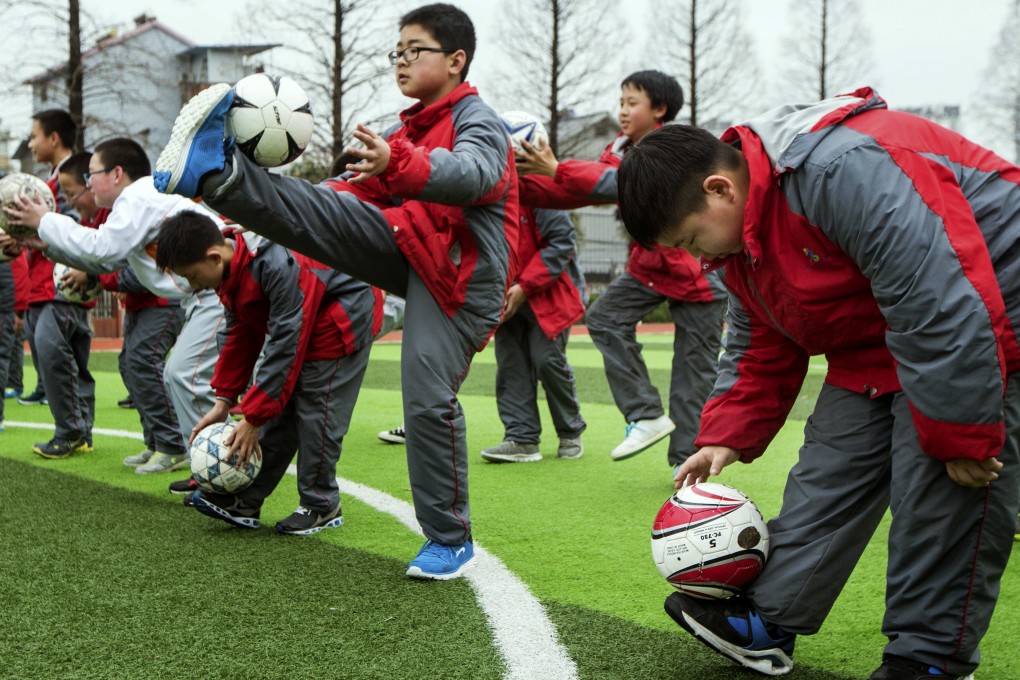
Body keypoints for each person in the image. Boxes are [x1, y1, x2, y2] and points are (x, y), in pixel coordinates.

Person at [615, 89, 1020, 679]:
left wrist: (961, 432)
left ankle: (928, 658)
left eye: (691, 241)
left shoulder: (843, 171)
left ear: (720, 190)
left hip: (992, 303)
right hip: (888, 322)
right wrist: (725, 435)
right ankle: (770, 621)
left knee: (942, 484)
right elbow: (761, 339)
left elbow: (939, 302)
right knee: (831, 464)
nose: (698, 259)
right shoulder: (742, 239)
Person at [152, 2, 517, 579]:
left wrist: (396, 160)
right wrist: (286, 207)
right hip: (410, 249)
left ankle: (449, 539)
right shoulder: (403, 130)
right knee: (323, 205)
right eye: (395, 51)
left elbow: (470, 175)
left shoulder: (479, 122)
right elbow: (344, 196)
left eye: (412, 50)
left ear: (456, 60)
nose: (399, 61)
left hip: (461, 282)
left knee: (425, 399)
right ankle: (216, 173)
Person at [516, 70, 726, 470]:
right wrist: (515, 182)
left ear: (659, 109)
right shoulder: (618, 148)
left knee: (691, 383)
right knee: (605, 319)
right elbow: (577, 189)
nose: (623, 111)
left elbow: (617, 183)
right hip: (650, 266)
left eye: (632, 103)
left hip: (696, 272)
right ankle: (645, 413)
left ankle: (687, 473)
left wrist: (558, 168)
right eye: (621, 102)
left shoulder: (673, 147)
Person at [2, 137, 227, 475]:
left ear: (117, 173)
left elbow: (103, 251)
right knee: (174, 372)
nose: (88, 182)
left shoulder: (138, 198)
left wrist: (45, 220)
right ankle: (194, 455)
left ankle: (212, 461)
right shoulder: (135, 201)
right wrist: (44, 242)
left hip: (217, 291)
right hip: (201, 295)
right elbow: (107, 259)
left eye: (92, 173)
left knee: (182, 373)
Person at [155, 211, 381, 534]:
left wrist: (254, 416)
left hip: (342, 312)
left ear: (214, 257)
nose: (193, 286)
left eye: (192, 276)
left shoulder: (275, 263)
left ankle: (322, 504)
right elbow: (240, 333)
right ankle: (246, 499)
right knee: (272, 409)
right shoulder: (232, 268)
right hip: (307, 311)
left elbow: (285, 345)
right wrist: (224, 400)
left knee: (317, 404)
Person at [57, 151, 189, 468]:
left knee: (144, 360)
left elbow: (142, 269)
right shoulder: (114, 213)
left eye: (89, 179)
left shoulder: (138, 208)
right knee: (130, 364)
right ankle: (156, 441)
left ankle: (173, 444)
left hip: (164, 301)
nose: (76, 197)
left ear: (116, 175)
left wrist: (92, 274)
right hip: (142, 303)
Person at [481, 118, 587, 462]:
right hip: (507, 293)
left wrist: (524, 286)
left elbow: (560, 243)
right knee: (510, 363)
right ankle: (521, 438)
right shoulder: (491, 193)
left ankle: (570, 430)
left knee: (546, 359)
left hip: (549, 295)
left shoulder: (543, 191)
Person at [17, 109, 80, 410]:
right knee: (47, 358)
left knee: (59, 357)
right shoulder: (48, 182)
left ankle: (73, 433)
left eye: (33, 137)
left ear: (53, 138)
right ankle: (67, 432)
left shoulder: (73, 179)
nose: (29, 144)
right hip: (40, 285)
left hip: (61, 284)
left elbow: (77, 230)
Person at [3, 251, 28, 401]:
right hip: (11, 300)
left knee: (14, 343)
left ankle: (15, 384)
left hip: (14, 303)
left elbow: (21, 278)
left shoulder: (16, 253)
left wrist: (20, 308)